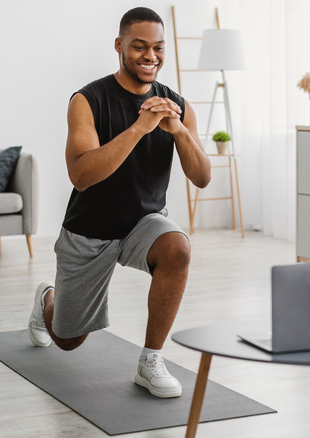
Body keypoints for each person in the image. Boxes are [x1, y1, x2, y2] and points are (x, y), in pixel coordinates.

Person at [27, 6, 211, 399]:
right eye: (139, 47)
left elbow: (202, 177)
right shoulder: (87, 99)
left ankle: (150, 360)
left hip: (144, 223)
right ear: (119, 46)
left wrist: (177, 130)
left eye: (158, 48)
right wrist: (139, 128)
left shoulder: (176, 104)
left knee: (177, 247)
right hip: (89, 230)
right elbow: (82, 175)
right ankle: (48, 300)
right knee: (68, 340)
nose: (150, 56)